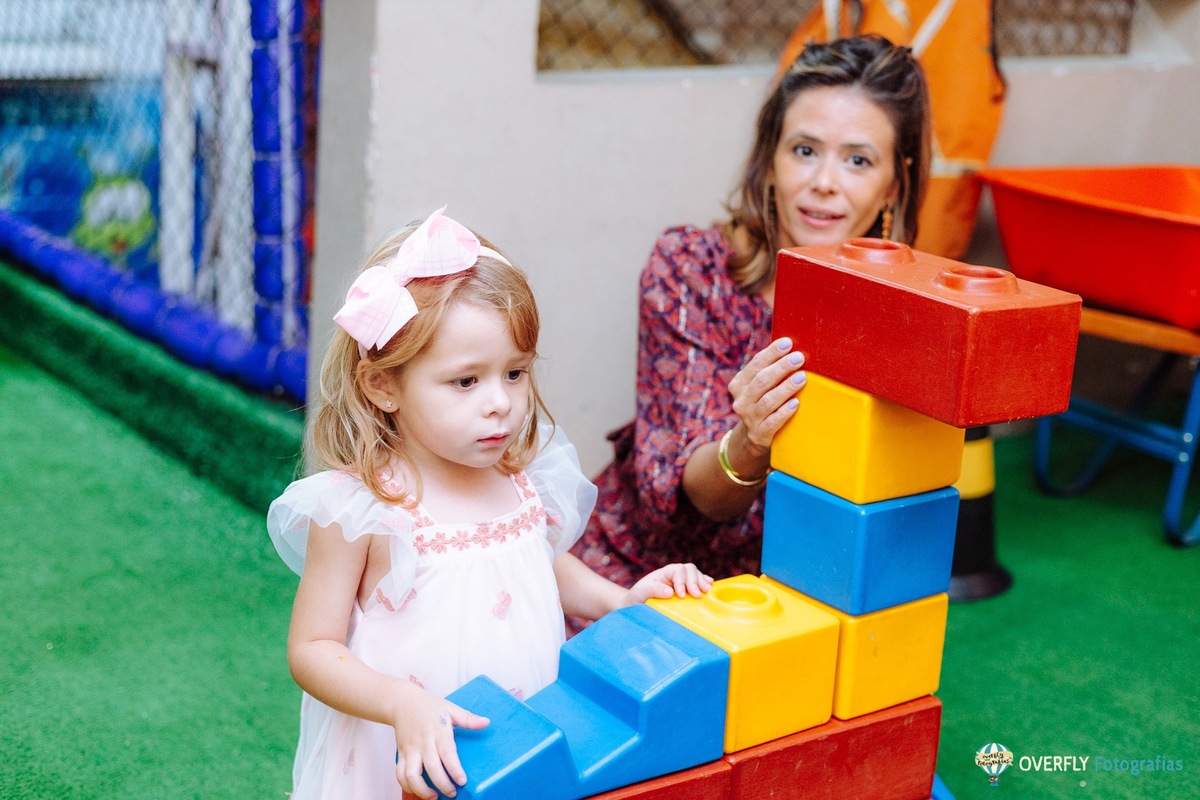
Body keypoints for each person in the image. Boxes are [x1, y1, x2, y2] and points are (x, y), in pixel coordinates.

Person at [267, 207, 712, 800]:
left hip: (520, 735)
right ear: (383, 385)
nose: (500, 402)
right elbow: (312, 648)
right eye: (466, 381)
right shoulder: (364, 509)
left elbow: (540, 564)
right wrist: (403, 703)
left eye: (515, 373)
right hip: (410, 747)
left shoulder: (519, 477)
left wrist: (621, 600)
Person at [572, 34, 931, 588]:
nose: (824, 183)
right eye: (805, 150)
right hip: (646, 576)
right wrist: (752, 439)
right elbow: (698, 499)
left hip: (804, 589)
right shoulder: (690, 269)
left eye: (858, 160)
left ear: (893, 186)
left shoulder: (906, 311)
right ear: (769, 161)